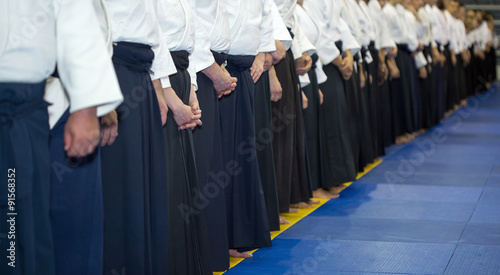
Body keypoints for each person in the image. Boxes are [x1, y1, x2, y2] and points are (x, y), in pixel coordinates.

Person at [44, 1, 123, 274]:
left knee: (77, 222)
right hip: (44, 103)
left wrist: (96, 102)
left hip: (71, 102)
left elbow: (94, 30)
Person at [100, 0, 176, 273]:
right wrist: (100, 97)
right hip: (111, 69)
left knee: (145, 181)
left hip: (142, 74)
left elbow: (152, 29)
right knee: (120, 179)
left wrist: (158, 89)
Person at [156, 0, 213, 273]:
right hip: (157, 82)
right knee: (166, 178)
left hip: (180, 75)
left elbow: (190, 44)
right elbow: (155, 45)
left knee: (182, 179)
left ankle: (186, 262)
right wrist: (170, 98)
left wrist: (190, 89)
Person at [221, 0, 275, 258]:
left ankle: (239, 236)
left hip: (245, 70)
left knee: (242, 155)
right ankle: (221, 237)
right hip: (219, 69)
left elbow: (266, 18)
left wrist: (263, 52)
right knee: (222, 157)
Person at [190, 0, 237, 271]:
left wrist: (222, 67)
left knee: (212, 164)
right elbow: (192, 32)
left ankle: (211, 250)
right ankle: (198, 253)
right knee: (201, 166)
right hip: (196, 70)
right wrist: (213, 71)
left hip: (214, 67)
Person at [303, 0, 358, 196]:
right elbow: (320, 36)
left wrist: (349, 55)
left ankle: (337, 175)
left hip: (338, 57)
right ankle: (328, 179)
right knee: (328, 121)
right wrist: (339, 60)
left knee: (339, 119)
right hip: (325, 62)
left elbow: (343, 27)